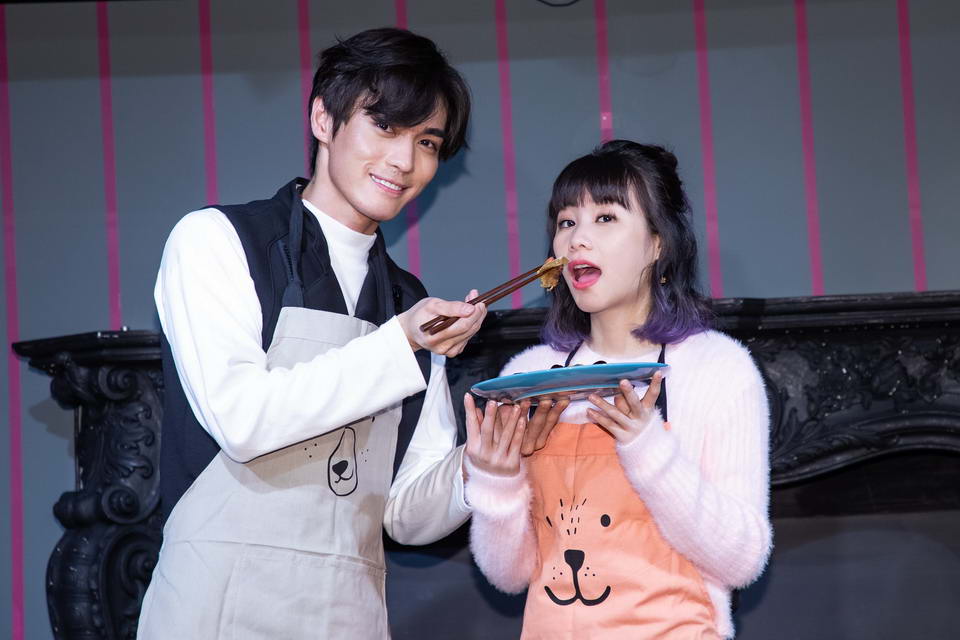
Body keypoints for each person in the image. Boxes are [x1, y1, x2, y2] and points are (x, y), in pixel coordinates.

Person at [137, 28, 486, 639]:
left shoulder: (407, 301)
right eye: (385, 126)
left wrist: (481, 466)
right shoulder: (217, 241)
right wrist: (400, 342)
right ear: (323, 118)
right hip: (216, 607)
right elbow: (244, 421)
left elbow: (403, 513)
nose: (404, 162)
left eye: (426, 142)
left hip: (347, 613)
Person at [462, 140, 772, 639]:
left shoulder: (717, 368)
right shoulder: (528, 376)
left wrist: (648, 449)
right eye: (566, 222)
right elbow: (509, 575)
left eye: (605, 217)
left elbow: (742, 560)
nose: (577, 240)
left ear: (658, 244)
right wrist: (496, 480)